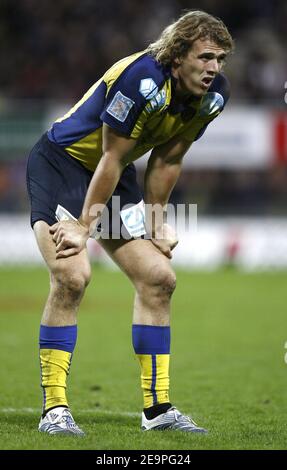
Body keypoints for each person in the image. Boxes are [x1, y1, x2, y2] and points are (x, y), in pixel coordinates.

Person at [26, 10, 234, 435]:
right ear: (178, 56)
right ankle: (55, 410)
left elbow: (168, 158)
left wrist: (156, 218)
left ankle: (158, 411)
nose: (215, 68)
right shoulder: (140, 81)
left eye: (221, 59)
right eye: (206, 57)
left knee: (160, 277)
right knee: (72, 275)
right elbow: (112, 157)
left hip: (112, 179)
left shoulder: (212, 96)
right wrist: (86, 226)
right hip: (61, 166)